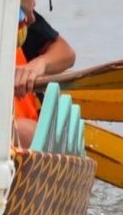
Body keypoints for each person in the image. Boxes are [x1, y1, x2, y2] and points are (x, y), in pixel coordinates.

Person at [13, 11, 76, 148]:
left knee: (24, 131)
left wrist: (40, 63)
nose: (34, 2)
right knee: (23, 131)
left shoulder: (16, 14)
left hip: (28, 129)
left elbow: (67, 53)